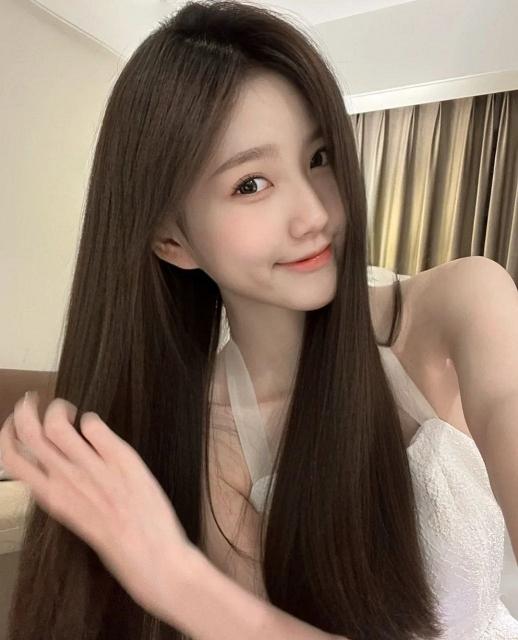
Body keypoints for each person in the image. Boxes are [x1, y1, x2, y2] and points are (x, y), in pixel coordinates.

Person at [2, 1, 517, 639]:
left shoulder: (463, 303)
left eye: (320, 157)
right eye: (250, 184)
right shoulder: (213, 443)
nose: (315, 214)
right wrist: (174, 573)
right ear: (172, 241)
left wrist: (176, 579)